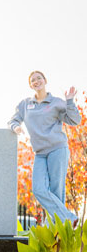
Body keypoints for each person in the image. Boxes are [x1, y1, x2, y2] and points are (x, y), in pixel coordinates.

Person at [8, 70, 81, 225]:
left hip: (57, 149)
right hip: (40, 153)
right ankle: (69, 218)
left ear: (45, 80)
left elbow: (75, 120)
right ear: (30, 85)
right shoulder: (25, 104)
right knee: (39, 189)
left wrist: (69, 102)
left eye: (39, 78)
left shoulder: (56, 102)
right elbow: (13, 120)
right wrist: (16, 128)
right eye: (33, 80)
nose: (36, 81)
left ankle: (56, 234)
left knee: (56, 192)